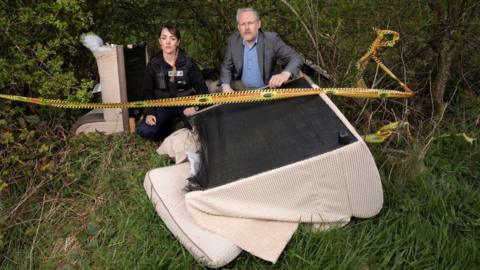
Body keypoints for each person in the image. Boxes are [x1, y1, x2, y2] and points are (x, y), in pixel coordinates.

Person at [137, 24, 208, 140]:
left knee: (202, 129)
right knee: (145, 131)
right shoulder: (153, 64)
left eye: (172, 38)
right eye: (164, 38)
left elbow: (202, 88)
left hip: (186, 104)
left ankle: (183, 125)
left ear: (178, 42)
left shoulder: (188, 63)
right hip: (162, 105)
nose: (168, 42)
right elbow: (147, 92)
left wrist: (195, 107)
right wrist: (149, 113)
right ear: (159, 41)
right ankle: (166, 129)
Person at [220, 7, 303, 92]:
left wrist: (285, 74)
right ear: (238, 27)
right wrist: (225, 85)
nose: (247, 27)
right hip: (243, 88)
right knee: (214, 88)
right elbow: (226, 66)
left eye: (250, 23)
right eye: (243, 24)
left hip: (269, 88)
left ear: (258, 24)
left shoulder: (271, 40)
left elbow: (296, 58)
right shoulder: (233, 40)